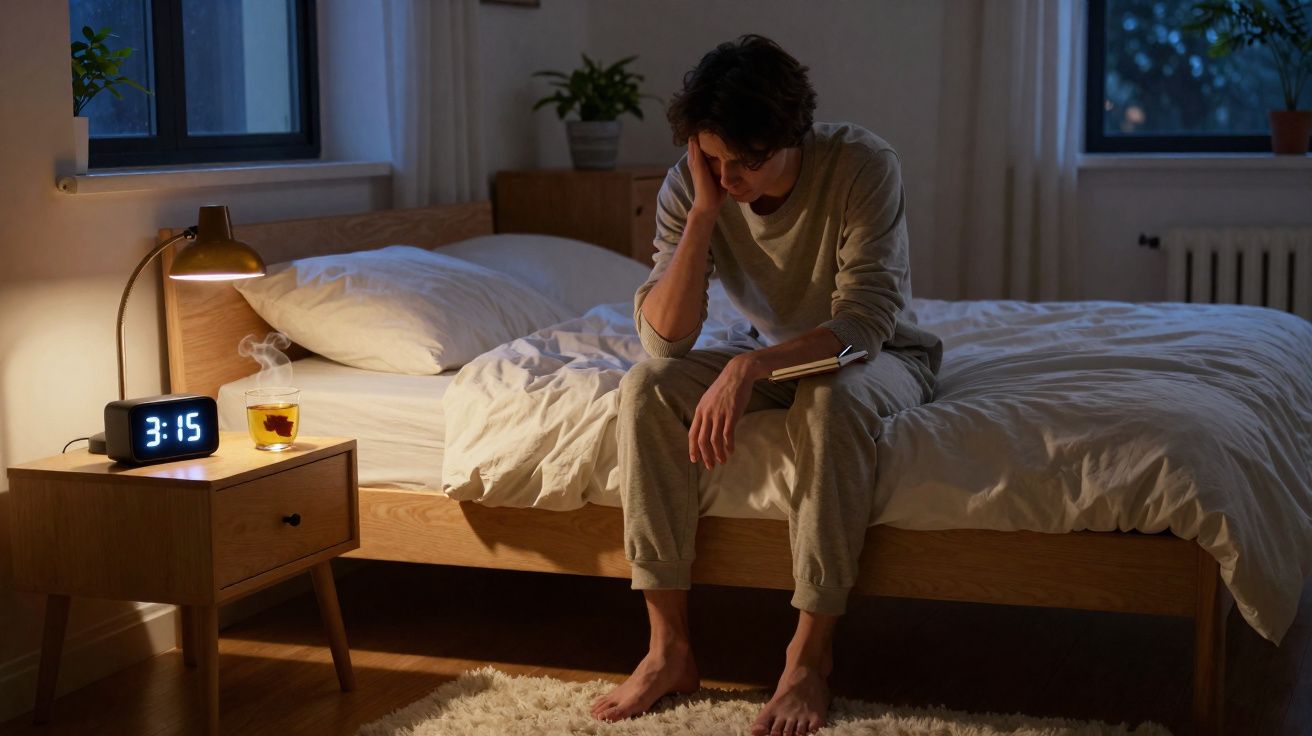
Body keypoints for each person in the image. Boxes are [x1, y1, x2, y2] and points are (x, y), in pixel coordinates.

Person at [589, 34, 943, 736]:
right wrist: (700, 216)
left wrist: (749, 368)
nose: (732, 176)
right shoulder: (697, 186)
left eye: (747, 161)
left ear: (792, 136)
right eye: (715, 159)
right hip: (771, 349)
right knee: (647, 388)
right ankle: (668, 649)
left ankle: (808, 659)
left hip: (877, 357)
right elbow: (664, 339)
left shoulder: (863, 166)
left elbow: (865, 325)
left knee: (829, 398)